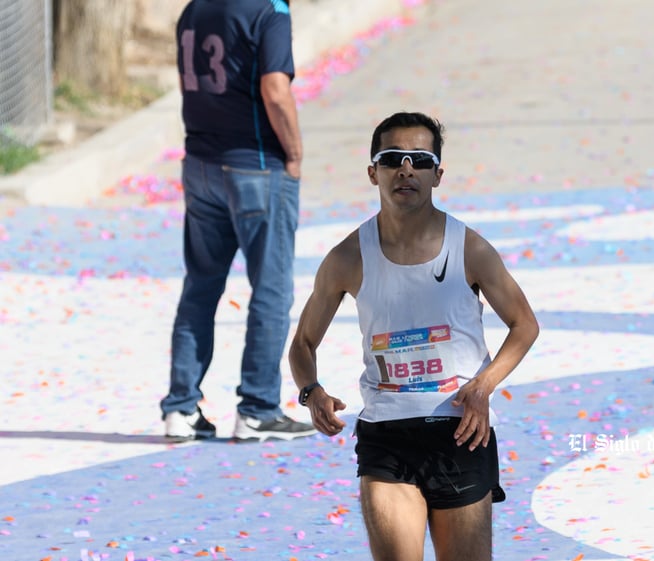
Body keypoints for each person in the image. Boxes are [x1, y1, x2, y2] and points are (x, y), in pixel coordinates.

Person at [289, 112, 540, 561]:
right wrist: (312, 392)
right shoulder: (347, 257)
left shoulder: (470, 248)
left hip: (460, 432)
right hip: (385, 433)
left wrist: (483, 386)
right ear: (374, 173)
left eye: (420, 160)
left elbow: (525, 324)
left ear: (437, 175)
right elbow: (303, 344)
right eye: (392, 159)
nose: (406, 169)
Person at [161, 0, 316, 442]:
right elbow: (274, 89)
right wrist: (295, 154)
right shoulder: (269, 10)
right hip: (256, 165)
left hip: (201, 163)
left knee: (201, 286)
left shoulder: (194, 9)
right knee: (271, 287)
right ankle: (259, 408)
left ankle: (181, 407)